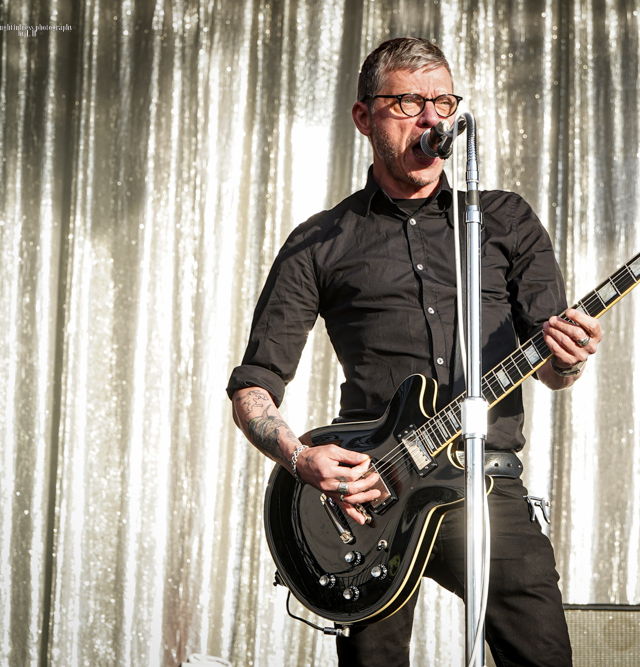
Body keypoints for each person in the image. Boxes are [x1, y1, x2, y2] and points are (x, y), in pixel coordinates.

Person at [227, 37, 603, 667]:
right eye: (407, 102)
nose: (431, 118)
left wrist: (569, 358)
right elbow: (253, 387)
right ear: (364, 116)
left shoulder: (505, 220)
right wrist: (300, 458)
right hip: (368, 497)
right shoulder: (320, 241)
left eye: (443, 103)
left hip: (484, 485)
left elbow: (555, 369)